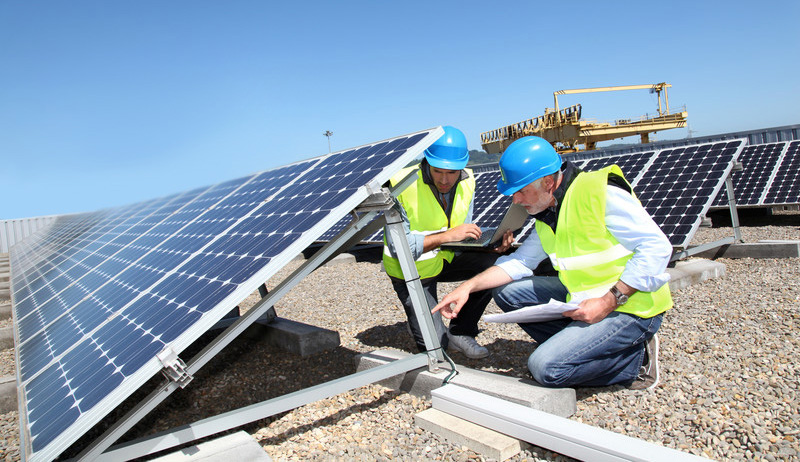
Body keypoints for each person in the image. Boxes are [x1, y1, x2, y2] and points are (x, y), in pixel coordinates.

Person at [433, 136, 673, 389]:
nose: (515, 201)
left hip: (631, 306)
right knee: (507, 292)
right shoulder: (548, 212)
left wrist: (607, 302)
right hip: (584, 296)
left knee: (546, 369)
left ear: (548, 182)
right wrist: (467, 288)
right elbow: (520, 262)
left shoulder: (601, 192)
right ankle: (581, 347)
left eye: (521, 191)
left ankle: (635, 362)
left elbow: (656, 247)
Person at [383, 126, 513, 359]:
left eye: (452, 172)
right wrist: (447, 236)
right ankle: (434, 331)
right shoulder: (400, 184)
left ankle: (461, 331)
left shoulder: (468, 180)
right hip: (411, 269)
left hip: (445, 257)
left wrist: (491, 244)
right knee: (435, 349)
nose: (445, 180)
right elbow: (398, 247)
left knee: (498, 263)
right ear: (426, 162)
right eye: (438, 171)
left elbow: (463, 234)